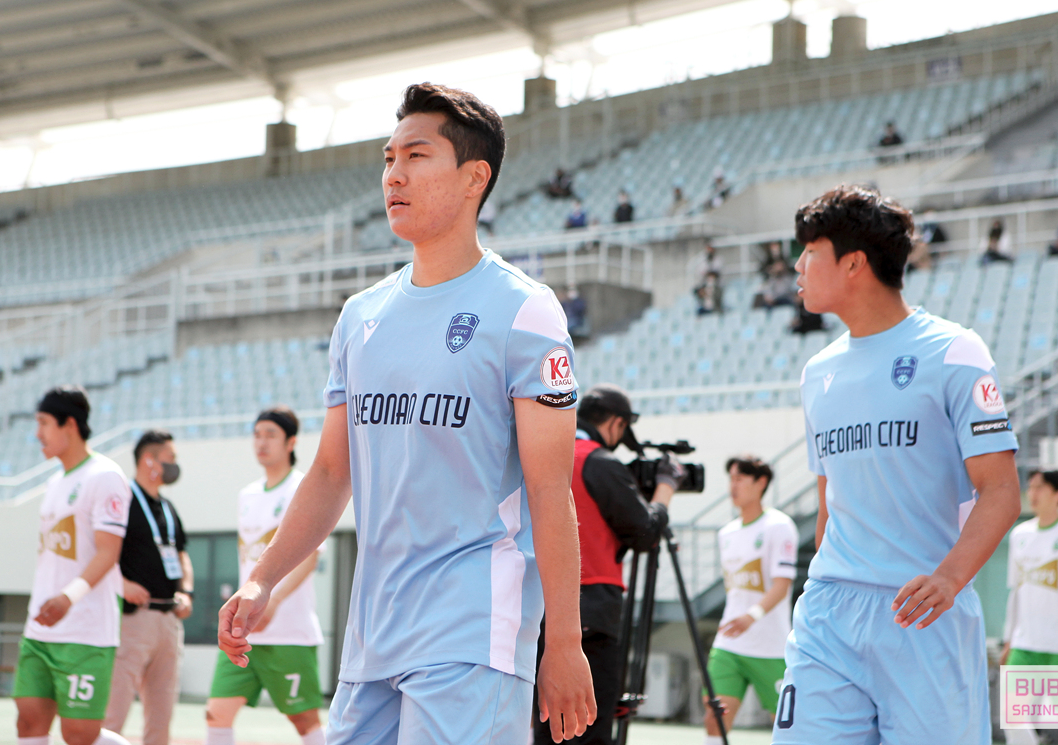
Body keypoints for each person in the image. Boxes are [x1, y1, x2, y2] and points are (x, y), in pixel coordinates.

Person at [217, 83, 596, 745]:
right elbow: (331, 473)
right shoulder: (360, 316)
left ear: (475, 177)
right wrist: (262, 579)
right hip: (373, 634)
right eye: (389, 158)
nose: (394, 174)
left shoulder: (524, 310)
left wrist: (563, 641)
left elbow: (548, 488)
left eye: (416, 156)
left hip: (472, 630)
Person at [775, 184, 1021, 744]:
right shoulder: (818, 373)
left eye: (810, 251)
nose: (798, 266)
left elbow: (1002, 491)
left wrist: (950, 578)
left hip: (923, 612)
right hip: (829, 614)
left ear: (854, 263)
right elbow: (829, 504)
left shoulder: (955, 352)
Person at [533, 385, 678, 745]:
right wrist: (665, 489)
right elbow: (645, 532)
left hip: (539, 605)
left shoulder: (544, 453)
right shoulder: (599, 461)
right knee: (590, 727)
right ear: (616, 424)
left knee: (549, 725)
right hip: (594, 608)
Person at [13, 386, 133, 745]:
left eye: (44, 423)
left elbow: (108, 552)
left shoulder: (105, 476)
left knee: (79, 733)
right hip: (41, 629)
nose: (38, 434)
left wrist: (69, 597)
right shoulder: (53, 483)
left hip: (85, 630)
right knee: (29, 720)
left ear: (70, 425)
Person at [205, 407, 327, 745]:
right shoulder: (247, 495)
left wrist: (275, 600)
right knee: (216, 712)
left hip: (289, 631)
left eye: (271, 435)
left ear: (291, 442)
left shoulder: (302, 487)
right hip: (245, 628)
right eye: (257, 435)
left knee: (304, 719)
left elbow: (310, 558)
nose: (261, 442)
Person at [104, 431, 193, 745]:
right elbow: (99, 551)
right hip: (132, 620)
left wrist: (186, 592)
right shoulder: (123, 500)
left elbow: (181, 555)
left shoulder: (167, 507)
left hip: (168, 620)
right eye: (170, 459)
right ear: (149, 460)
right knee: (112, 713)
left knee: (161, 717)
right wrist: (122, 584)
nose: (175, 465)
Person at [999, 469, 1058, 745]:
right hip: (1025, 646)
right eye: (1030, 487)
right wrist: (1009, 639)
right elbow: (1016, 593)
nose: (1032, 494)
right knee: (1012, 717)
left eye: (1040, 487)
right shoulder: (1019, 534)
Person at [704, 456, 798, 745]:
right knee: (715, 717)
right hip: (729, 644)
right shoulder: (726, 533)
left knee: (786, 725)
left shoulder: (779, 526)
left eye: (740, 479)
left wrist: (751, 616)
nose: (733, 486)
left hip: (770, 646)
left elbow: (782, 585)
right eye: (731, 479)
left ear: (761, 483)